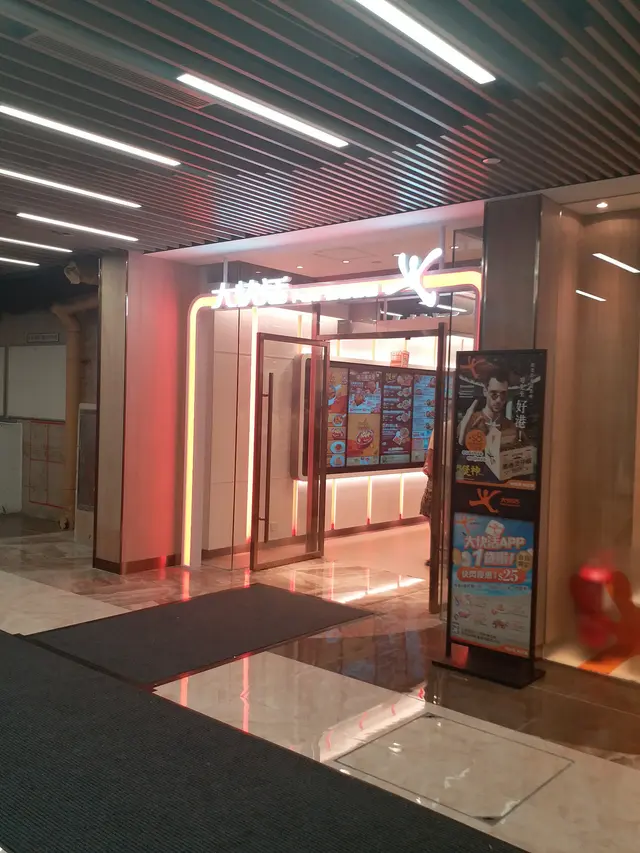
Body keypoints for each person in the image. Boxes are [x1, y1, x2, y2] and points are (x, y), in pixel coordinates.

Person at [458, 368, 517, 448]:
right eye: (494, 394)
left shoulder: (510, 426)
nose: (498, 400)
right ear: (485, 391)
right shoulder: (470, 420)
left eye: (503, 394)